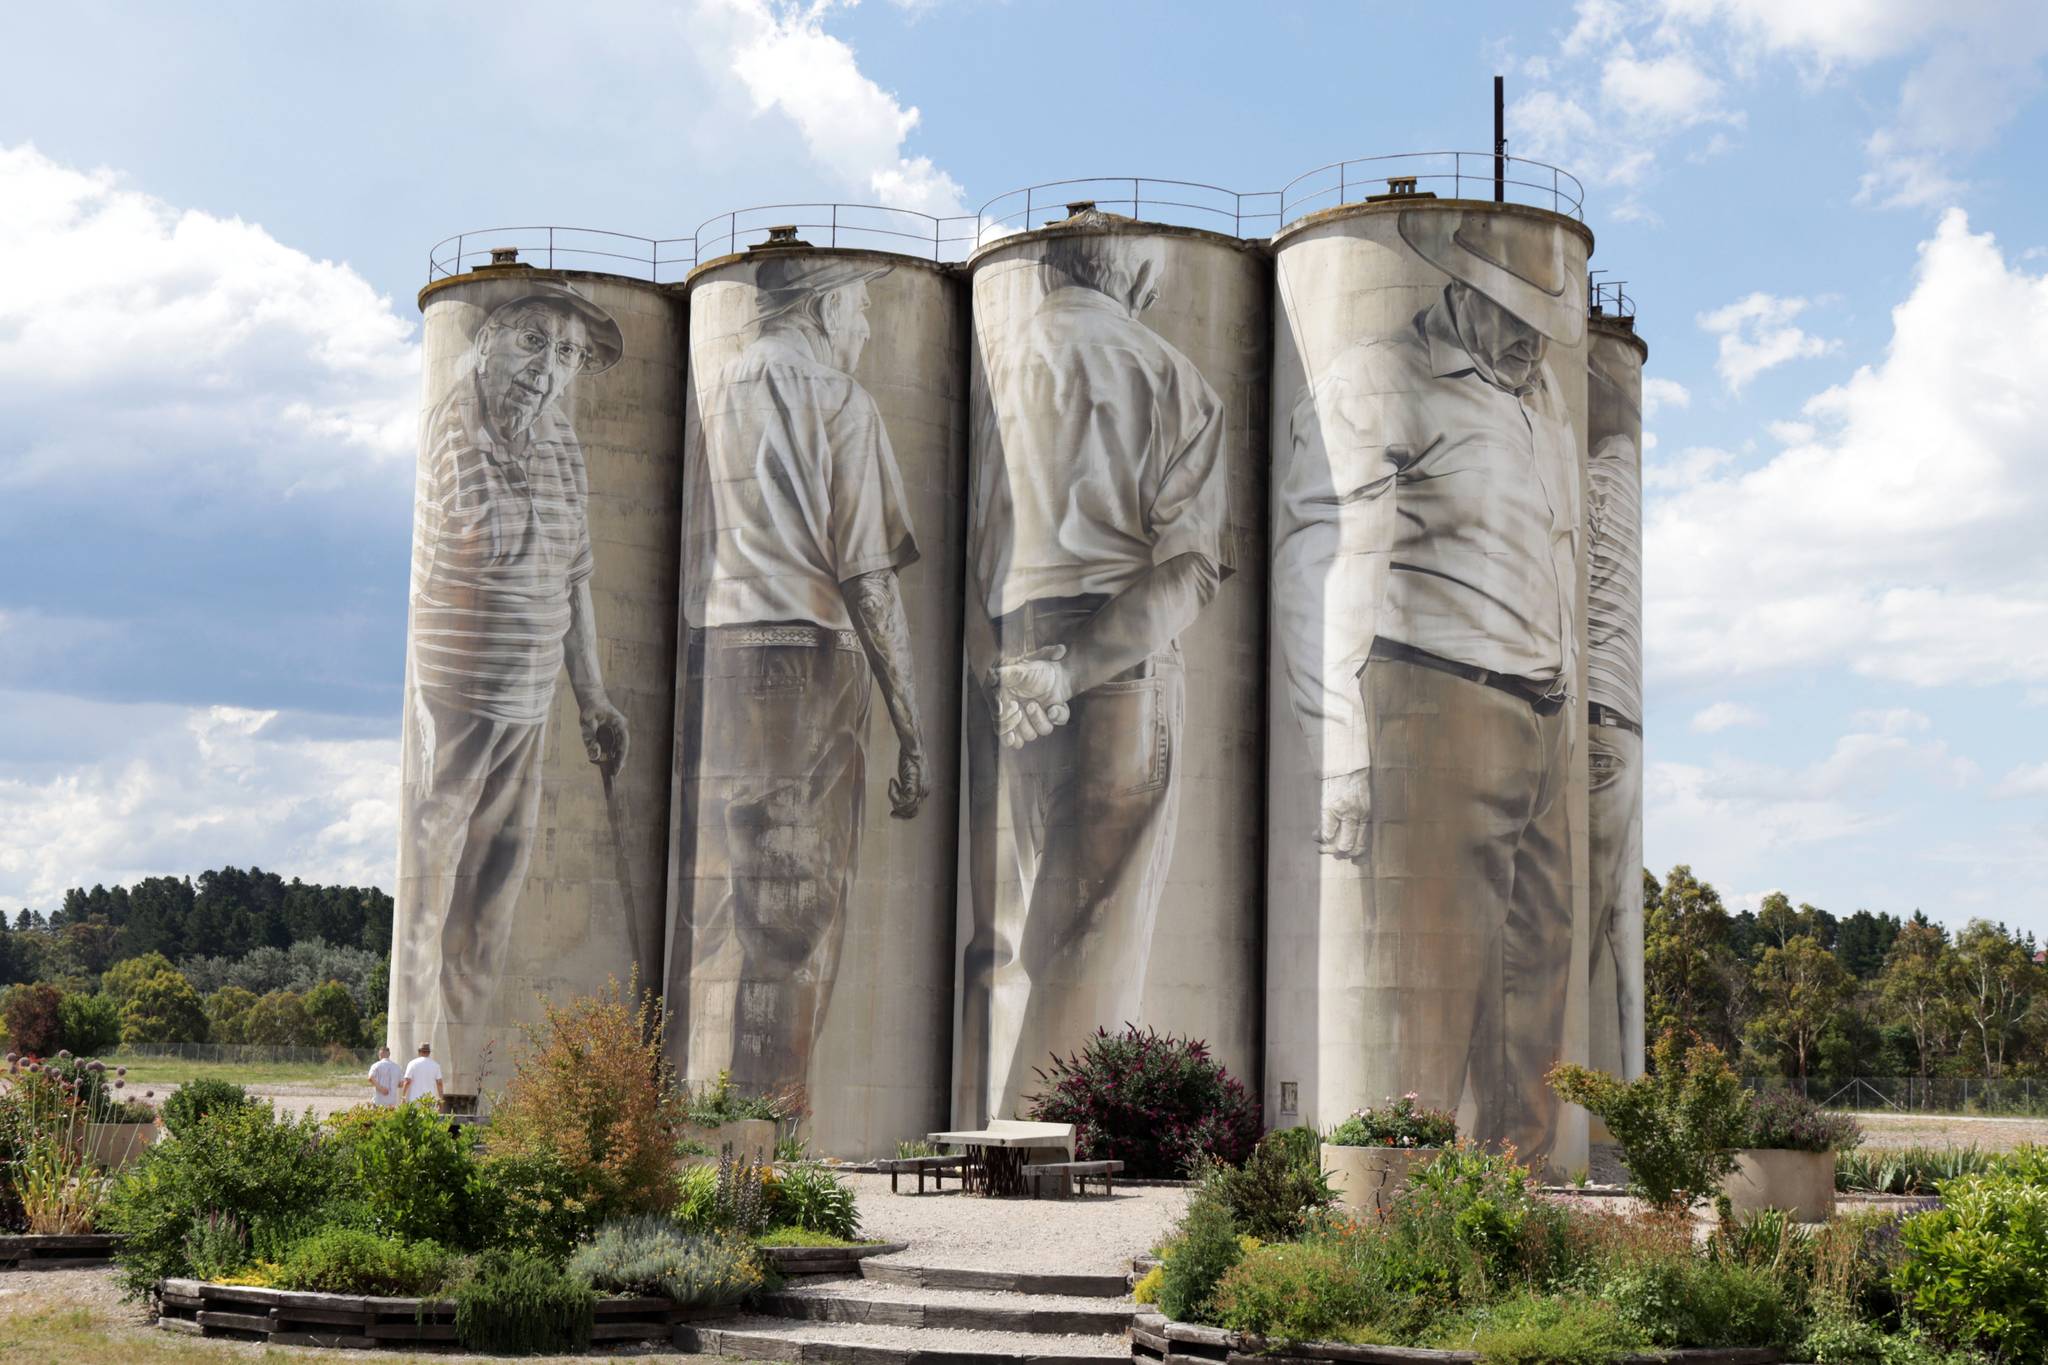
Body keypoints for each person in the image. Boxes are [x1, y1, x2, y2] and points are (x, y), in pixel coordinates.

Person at [1272, 209, 1583, 1163]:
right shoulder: (1376, 378)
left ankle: (1514, 1204)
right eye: (1513, 311)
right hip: (1434, 701)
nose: (1532, 336)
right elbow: (1315, 565)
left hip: (1542, 715)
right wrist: (1342, 755)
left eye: (1543, 317)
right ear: (1464, 292)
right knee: (1431, 994)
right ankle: (1397, 1198)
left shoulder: (1546, 401)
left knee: (1535, 984)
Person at [959, 226, 1233, 1122]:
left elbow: (968, 548)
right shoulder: (1170, 375)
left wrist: (1008, 672)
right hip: (1115, 666)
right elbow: (1189, 567)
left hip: (1006, 659)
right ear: (1140, 271)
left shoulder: (994, 368)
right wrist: (1068, 672)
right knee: (1093, 933)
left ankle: (988, 1123)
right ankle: (1046, 1138)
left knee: (996, 936)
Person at [677, 253, 928, 1096]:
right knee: (799, 918)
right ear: (821, 309)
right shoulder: (840, 398)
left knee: (722, 910)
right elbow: (868, 573)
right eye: (858, 309)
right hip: (810, 658)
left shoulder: (715, 391)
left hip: (722, 657)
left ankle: (709, 1119)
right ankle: (771, 1128)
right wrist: (911, 724)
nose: (864, 328)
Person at [393, 283, 630, 1068]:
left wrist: (592, 696)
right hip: (458, 699)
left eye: (566, 356)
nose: (548, 369)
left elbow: (574, 577)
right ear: (486, 339)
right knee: (432, 883)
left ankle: (477, 1066)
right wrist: (430, 718)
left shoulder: (562, 442)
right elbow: (460, 568)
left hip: (528, 703)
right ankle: (419, 1064)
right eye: (534, 342)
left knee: (495, 895)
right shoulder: (454, 430)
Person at [400, 1042, 445, 1109]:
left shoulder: (412, 1064)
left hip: (415, 1099)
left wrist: (403, 1097)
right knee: (428, 1119)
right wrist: (440, 1099)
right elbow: (439, 1083)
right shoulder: (436, 1065)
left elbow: (407, 1082)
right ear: (429, 1052)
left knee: (415, 1119)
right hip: (429, 1099)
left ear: (419, 1051)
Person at [367, 1045, 402, 1109]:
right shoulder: (397, 1067)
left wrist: (381, 1089)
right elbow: (400, 1084)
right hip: (391, 1102)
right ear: (389, 1055)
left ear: (380, 1055)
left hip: (379, 1101)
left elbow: (370, 1078)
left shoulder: (376, 1065)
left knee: (377, 1118)